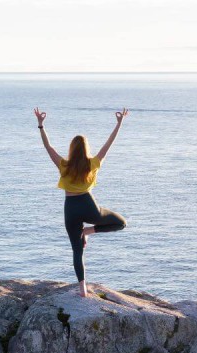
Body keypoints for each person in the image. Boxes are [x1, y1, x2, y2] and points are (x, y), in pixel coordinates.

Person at [34, 107, 129, 297]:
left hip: (70, 209)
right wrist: (119, 124)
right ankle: (89, 231)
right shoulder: (93, 164)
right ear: (86, 149)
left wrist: (41, 125)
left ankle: (82, 289)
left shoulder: (64, 166)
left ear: (71, 149)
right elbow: (107, 145)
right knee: (121, 223)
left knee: (77, 251)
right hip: (89, 206)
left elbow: (48, 147)